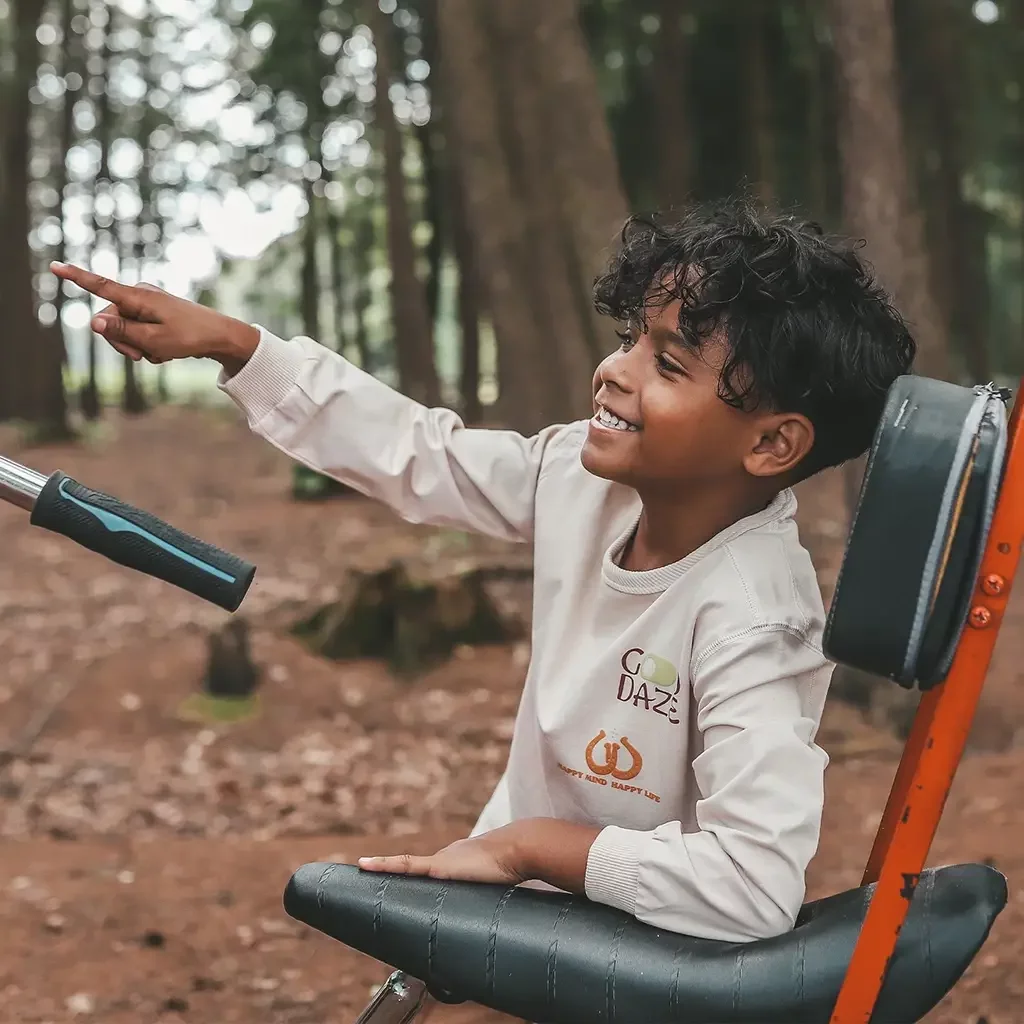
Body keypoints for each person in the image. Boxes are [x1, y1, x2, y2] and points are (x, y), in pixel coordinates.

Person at [50, 199, 915, 943]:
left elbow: (751, 887)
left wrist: (527, 847)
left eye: (668, 363)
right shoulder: (583, 478)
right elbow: (422, 455)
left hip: (656, 953)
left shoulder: (755, 616)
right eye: (629, 339)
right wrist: (240, 346)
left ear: (772, 443)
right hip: (534, 910)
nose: (613, 370)